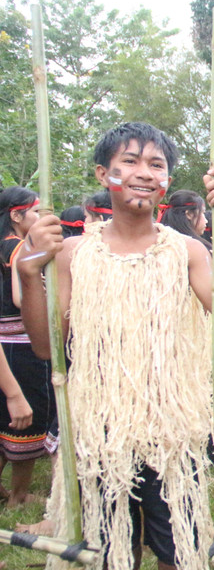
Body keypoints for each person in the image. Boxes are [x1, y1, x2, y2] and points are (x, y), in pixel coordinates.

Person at [18, 122, 214, 570]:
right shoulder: (72, 255)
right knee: (109, 552)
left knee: (181, 549)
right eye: (131, 161)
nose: (144, 172)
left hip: (173, 431)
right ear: (104, 174)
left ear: (166, 180)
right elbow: (47, 347)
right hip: (100, 430)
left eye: (156, 164)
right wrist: (30, 276)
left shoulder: (186, 251)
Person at [0, 187, 54, 507]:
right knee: (25, 421)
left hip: (2, 343)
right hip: (20, 345)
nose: (39, 219)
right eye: (35, 212)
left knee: (3, 420)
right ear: (16, 216)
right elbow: (22, 299)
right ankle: (18, 497)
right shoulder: (21, 248)